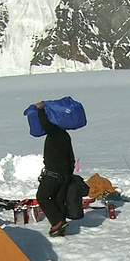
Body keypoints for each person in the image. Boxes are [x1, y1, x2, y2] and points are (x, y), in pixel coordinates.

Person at [34, 101, 76, 237]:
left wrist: (40, 110)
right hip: (64, 174)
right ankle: (60, 225)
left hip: (53, 172)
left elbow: (46, 125)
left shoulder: (55, 132)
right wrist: (69, 174)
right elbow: (71, 156)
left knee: (43, 196)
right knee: (58, 199)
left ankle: (57, 222)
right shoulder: (65, 135)